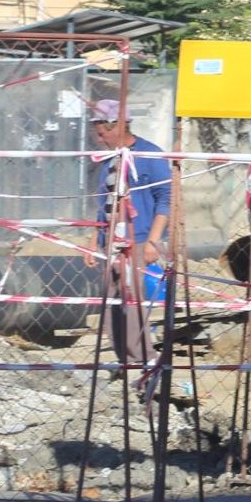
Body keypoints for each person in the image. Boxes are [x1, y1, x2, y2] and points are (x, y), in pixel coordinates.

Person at [89, 99, 174, 375]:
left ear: (119, 126)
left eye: (103, 133)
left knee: (133, 300)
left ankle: (145, 358)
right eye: (97, 134)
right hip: (110, 242)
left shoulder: (149, 155)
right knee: (112, 303)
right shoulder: (111, 159)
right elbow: (104, 202)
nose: (99, 139)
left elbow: (165, 199)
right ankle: (123, 358)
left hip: (136, 240)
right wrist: (94, 240)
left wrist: (153, 240)